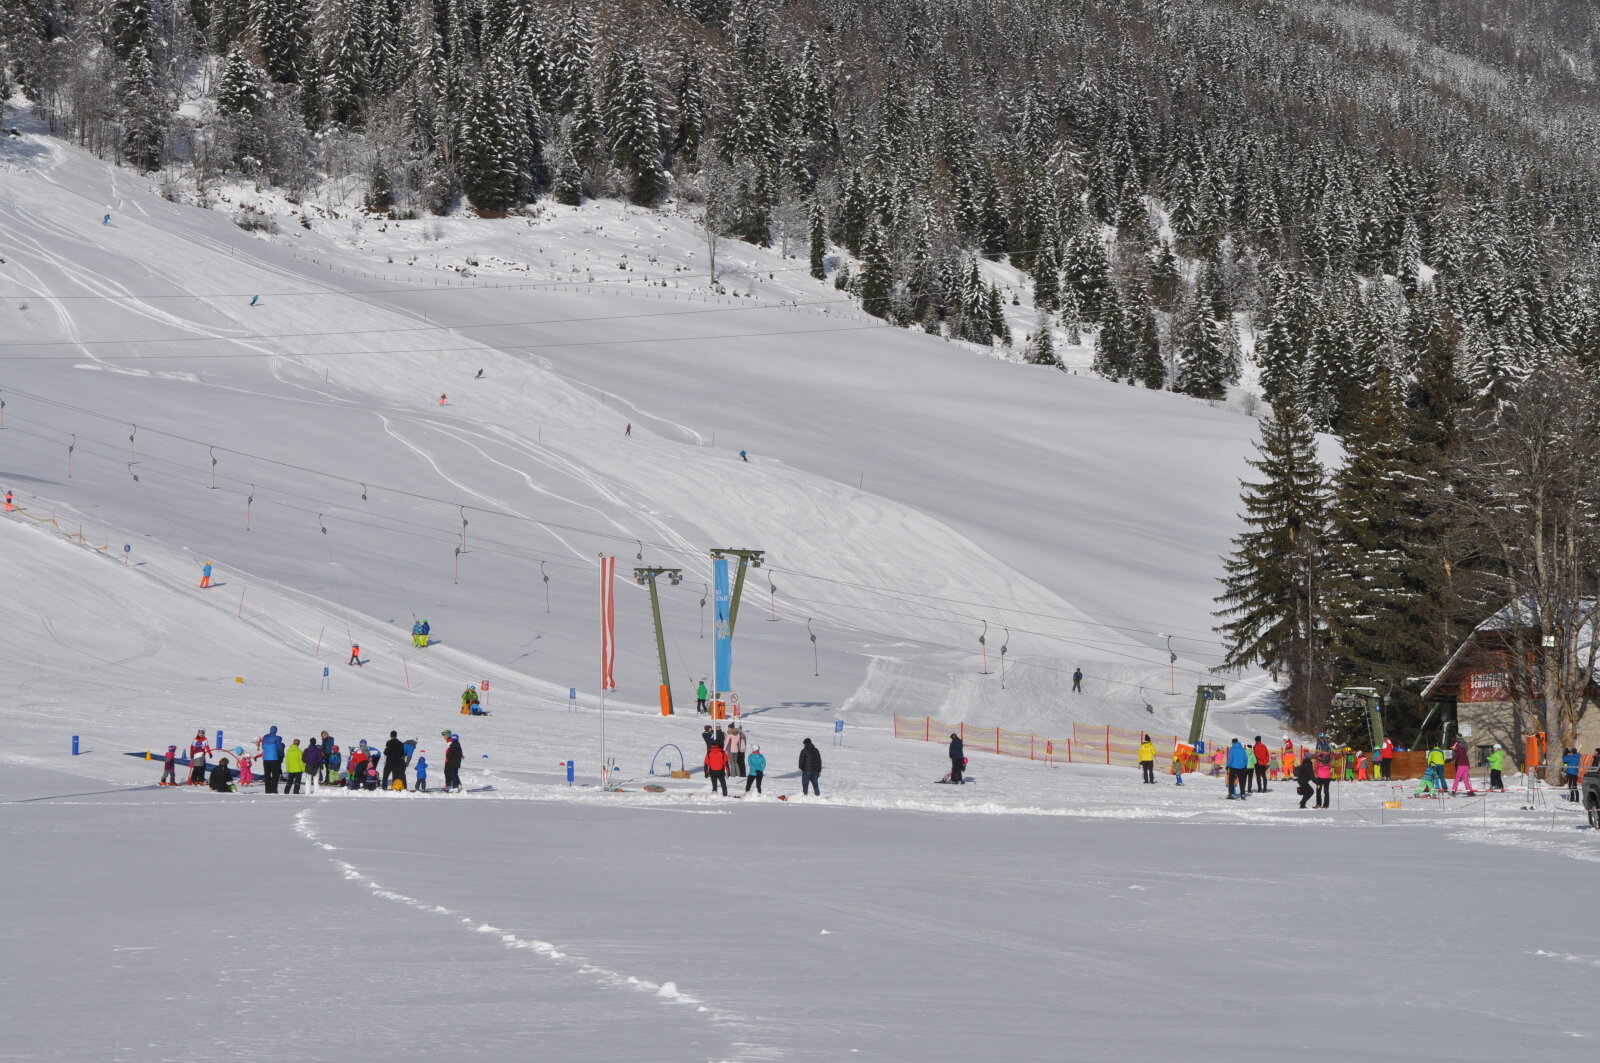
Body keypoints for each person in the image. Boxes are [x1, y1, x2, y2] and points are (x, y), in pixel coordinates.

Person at [259, 725, 285, 793]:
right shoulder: (277, 738)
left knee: (267, 775)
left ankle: (267, 790)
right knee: (275, 775)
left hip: (266, 759)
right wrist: (279, 754)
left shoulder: (265, 737)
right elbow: (279, 748)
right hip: (274, 759)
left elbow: (263, 747)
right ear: (276, 731)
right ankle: (274, 790)